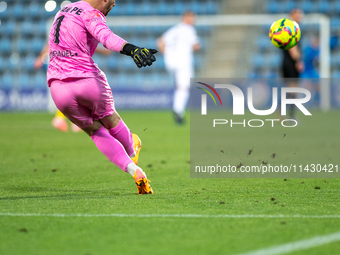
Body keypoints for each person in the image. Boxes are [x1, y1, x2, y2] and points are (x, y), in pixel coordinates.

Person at [47, 0, 157, 194]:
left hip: (58, 88)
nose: (112, 7)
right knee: (110, 117)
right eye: (112, 3)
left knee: (94, 131)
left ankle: (135, 171)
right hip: (88, 81)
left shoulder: (62, 12)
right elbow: (107, 37)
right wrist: (133, 50)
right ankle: (132, 148)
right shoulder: (91, 14)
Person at [35, 43, 111, 132]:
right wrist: (40, 58)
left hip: (68, 65)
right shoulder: (70, 33)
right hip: (69, 66)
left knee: (74, 93)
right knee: (79, 91)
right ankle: (68, 120)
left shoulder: (66, 33)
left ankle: (67, 119)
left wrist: (40, 58)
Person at [157, 11, 201, 124]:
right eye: (191, 18)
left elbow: (160, 41)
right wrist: (197, 46)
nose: (193, 20)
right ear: (185, 18)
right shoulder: (189, 29)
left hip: (172, 62)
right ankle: (178, 110)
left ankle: (178, 109)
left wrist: (167, 56)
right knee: (184, 87)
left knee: (180, 86)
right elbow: (195, 46)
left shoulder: (175, 29)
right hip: (184, 62)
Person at [281, 9, 304, 119]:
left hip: (287, 62)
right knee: (293, 89)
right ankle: (290, 115)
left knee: (291, 89)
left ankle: (283, 111)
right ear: (292, 15)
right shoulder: (291, 29)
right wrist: (298, 61)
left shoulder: (288, 28)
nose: (300, 16)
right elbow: (292, 46)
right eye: (298, 14)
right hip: (290, 63)